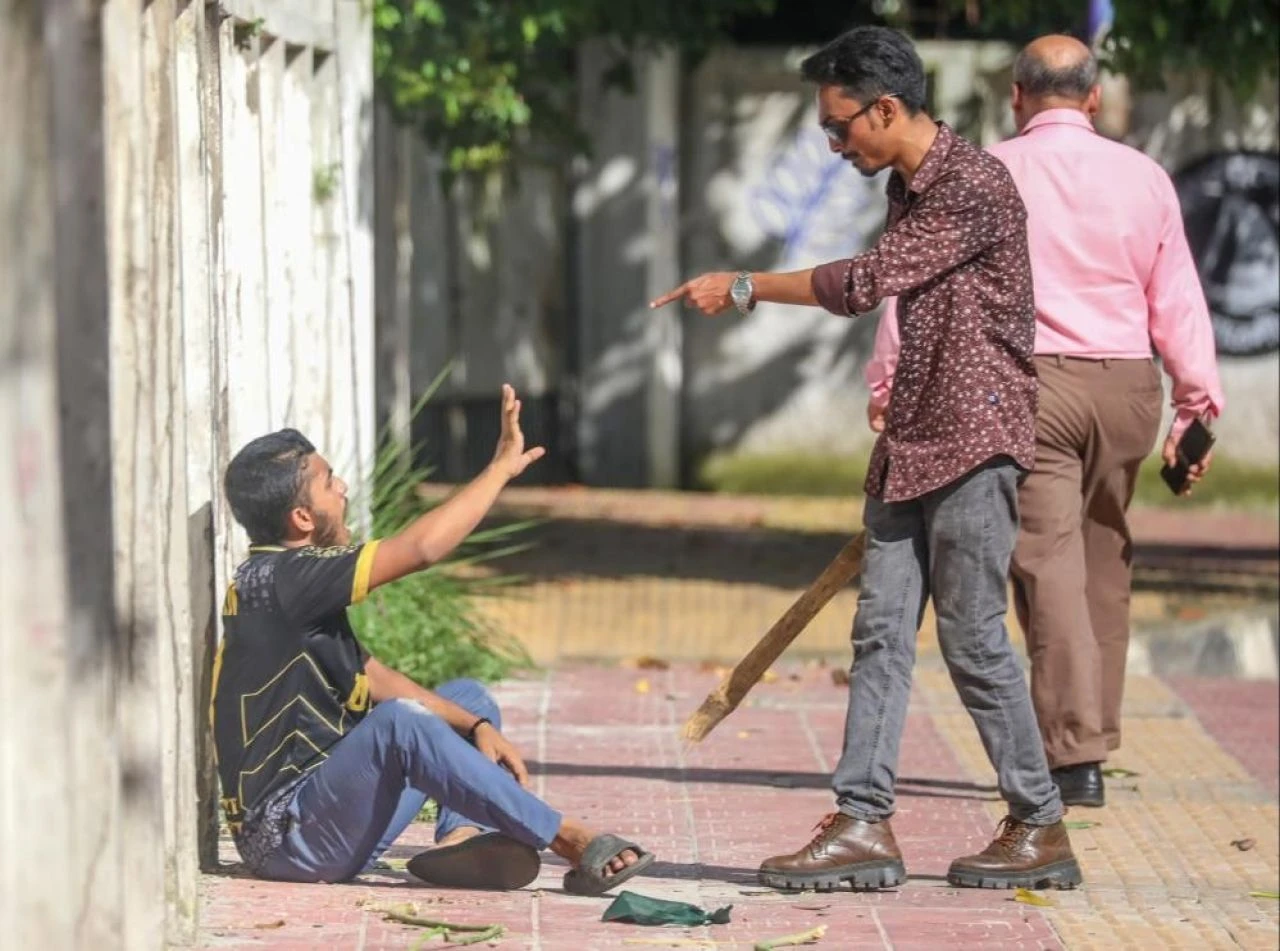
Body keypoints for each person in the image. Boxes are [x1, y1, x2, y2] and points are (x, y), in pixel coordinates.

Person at [651, 26, 1079, 891]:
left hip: (973, 442)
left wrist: (742, 286)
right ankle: (861, 821)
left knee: (971, 637)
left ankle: (1039, 823)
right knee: (881, 634)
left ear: (887, 109)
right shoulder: (911, 187)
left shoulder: (972, 183)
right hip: (913, 443)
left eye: (841, 128)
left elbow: (861, 285)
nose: (836, 145)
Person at [866, 35, 1225, 807]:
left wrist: (888, 379)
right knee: (1104, 560)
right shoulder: (1147, 178)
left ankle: (1074, 755)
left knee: (1047, 562)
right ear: (1092, 98)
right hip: (1130, 386)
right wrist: (1198, 405)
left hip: (1029, 384)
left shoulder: (985, 173)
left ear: (1016, 96)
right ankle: (1090, 733)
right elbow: (1180, 299)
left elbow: (913, 283)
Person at [211, 384, 654, 894]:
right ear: (303, 518)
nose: (345, 488)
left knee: (468, 699)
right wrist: (500, 469)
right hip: (289, 838)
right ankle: (568, 837)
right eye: (331, 483)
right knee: (404, 724)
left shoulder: (287, 581)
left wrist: (478, 724)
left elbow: (372, 676)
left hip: (327, 808)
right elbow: (421, 548)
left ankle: (461, 838)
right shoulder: (289, 578)